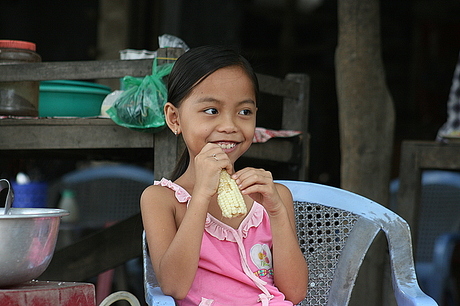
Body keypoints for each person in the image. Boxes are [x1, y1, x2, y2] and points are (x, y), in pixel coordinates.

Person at [140, 45, 308, 306]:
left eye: (244, 112)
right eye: (211, 111)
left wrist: (276, 212)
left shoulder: (273, 196)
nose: (230, 126)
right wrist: (202, 195)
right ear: (175, 118)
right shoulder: (161, 199)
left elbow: (295, 293)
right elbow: (174, 287)